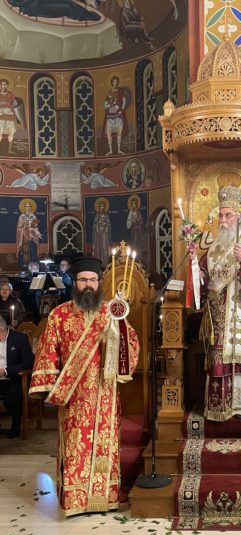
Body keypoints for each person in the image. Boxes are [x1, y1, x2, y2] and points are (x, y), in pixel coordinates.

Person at [29, 256, 140, 516]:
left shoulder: (111, 312)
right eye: (83, 280)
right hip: (74, 394)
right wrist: (49, 385)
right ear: (74, 282)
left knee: (103, 445)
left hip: (104, 391)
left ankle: (104, 497)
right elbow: (47, 352)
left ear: (99, 282)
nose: (88, 284)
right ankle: (75, 500)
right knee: (75, 444)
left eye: (92, 280)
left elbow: (131, 346)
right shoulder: (59, 315)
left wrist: (118, 328)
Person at [189, 185, 241, 422]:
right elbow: (206, 279)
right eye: (221, 215)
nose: (223, 221)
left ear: (240, 216)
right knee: (221, 355)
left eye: (228, 215)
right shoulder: (215, 247)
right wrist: (198, 271)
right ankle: (221, 405)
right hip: (220, 317)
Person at [0, 315, 34, 438]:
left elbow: (28, 362)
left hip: (13, 378)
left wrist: (6, 371)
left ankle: (16, 424)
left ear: (1, 329)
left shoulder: (20, 338)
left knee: (12, 398)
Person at [103, 76, 128, 156]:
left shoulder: (120, 90)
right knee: (108, 132)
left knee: (119, 132)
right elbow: (105, 105)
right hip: (110, 114)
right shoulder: (109, 91)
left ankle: (119, 150)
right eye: (114, 81)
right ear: (111, 82)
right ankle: (110, 150)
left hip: (118, 113)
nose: (115, 83)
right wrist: (111, 104)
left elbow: (124, 99)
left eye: (116, 81)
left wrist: (122, 109)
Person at [16, 199, 42, 270]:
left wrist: (38, 234)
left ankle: (33, 264)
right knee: (24, 251)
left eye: (29, 206)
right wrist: (23, 227)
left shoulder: (33, 216)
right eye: (26, 206)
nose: (28, 208)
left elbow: (35, 227)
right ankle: (24, 265)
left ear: (31, 208)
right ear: (24, 208)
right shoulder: (21, 217)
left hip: (32, 237)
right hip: (23, 237)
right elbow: (18, 227)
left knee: (32, 249)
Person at [0, 78, 18, 155]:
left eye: (5, 85)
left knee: (11, 132)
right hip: (1, 114)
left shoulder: (10, 94)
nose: (3, 86)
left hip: (10, 114)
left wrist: (13, 104)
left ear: (7, 85)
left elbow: (15, 103)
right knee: (0, 132)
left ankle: (9, 150)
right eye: (2, 84)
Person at [92, 199, 112, 266]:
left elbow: (108, 224)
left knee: (104, 245)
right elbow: (94, 224)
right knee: (98, 246)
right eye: (101, 206)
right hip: (98, 233)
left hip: (104, 232)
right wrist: (98, 224)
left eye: (103, 206)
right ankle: (98, 261)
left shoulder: (106, 214)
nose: (102, 207)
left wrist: (105, 225)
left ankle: (105, 262)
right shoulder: (97, 215)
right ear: (99, 207)